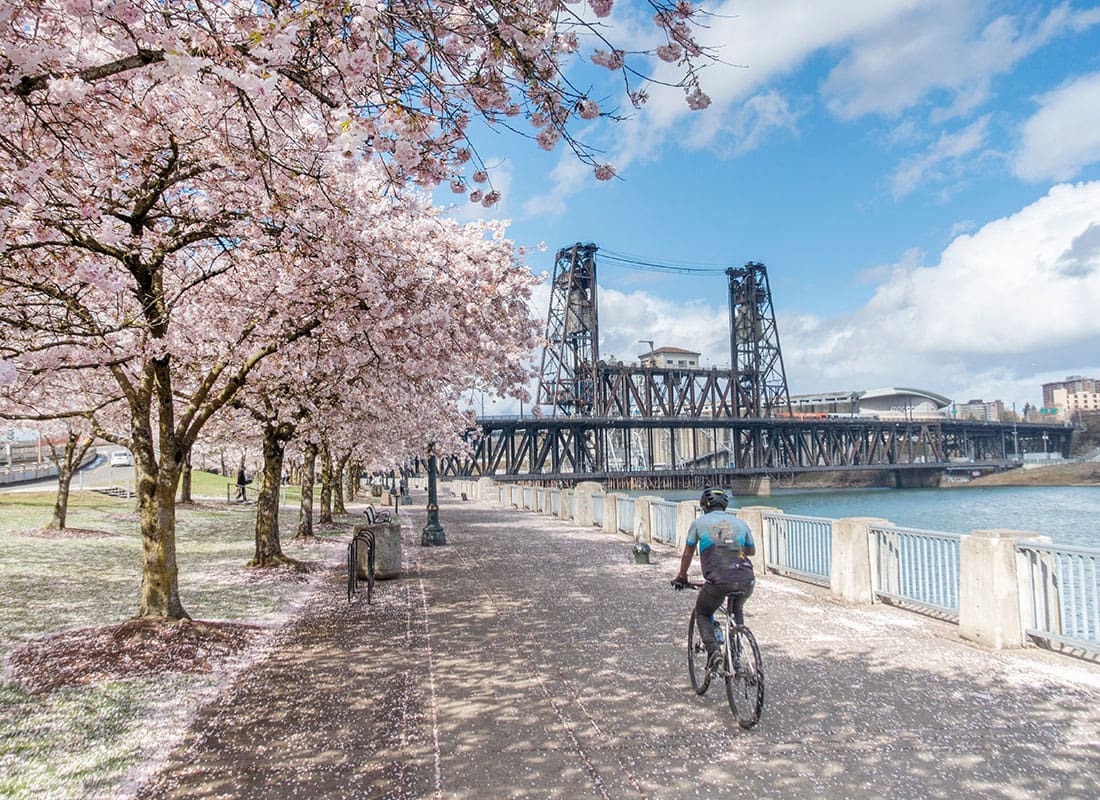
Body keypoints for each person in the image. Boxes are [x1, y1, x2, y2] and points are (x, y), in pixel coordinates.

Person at [672, 487, 756, 671]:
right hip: (746, 579)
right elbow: (751, 551)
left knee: (702, 612)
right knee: (736, 609)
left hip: (718, 580)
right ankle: (735, 657)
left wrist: (682, 577)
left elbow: (687, 554)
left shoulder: (699, 523)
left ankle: (714, 653)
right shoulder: (740, 524)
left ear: (704, 505)